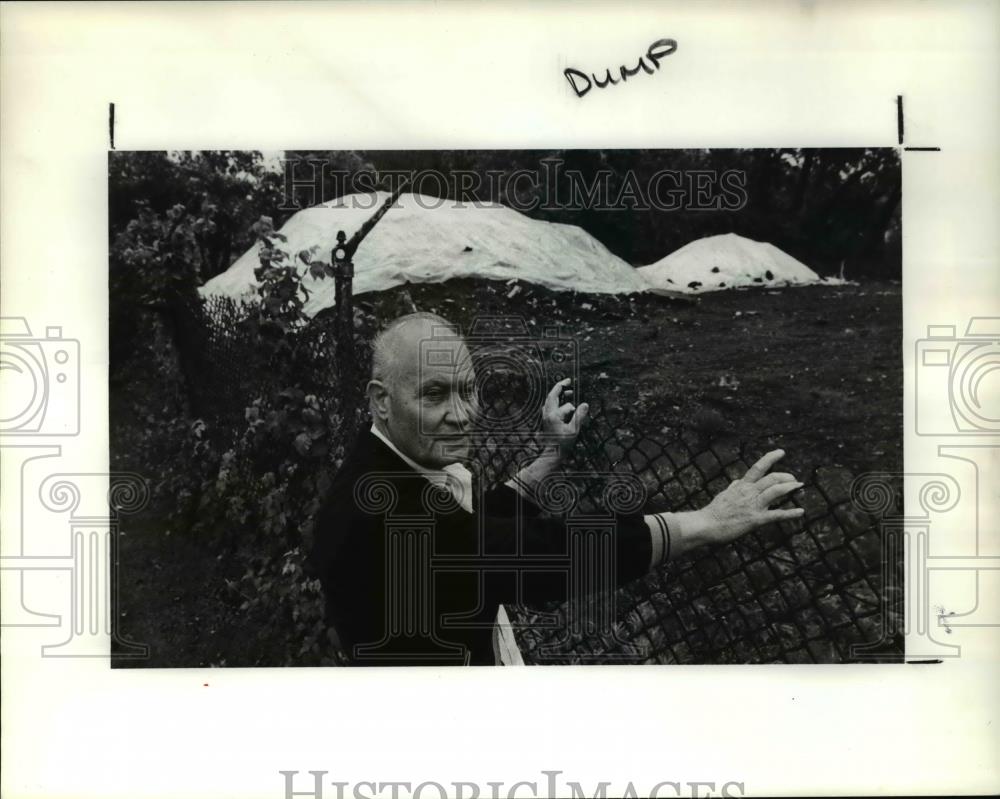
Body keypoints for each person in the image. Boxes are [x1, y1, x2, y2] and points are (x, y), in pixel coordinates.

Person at [310, 313, 804, 665]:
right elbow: (542, 555)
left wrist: (547, 457)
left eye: (467, 389)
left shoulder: (380, 467)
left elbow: (472, 532)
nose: (462, 414)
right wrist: (704, 522)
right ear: (381, 400)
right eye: (435, 394)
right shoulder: (388, 513)